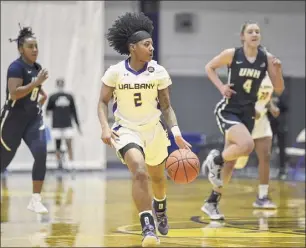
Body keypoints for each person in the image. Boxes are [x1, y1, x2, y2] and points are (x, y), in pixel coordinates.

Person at [97, 12, 191, 247]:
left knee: (158, 178)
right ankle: (148, 227)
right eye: (146, 44)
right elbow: (102, 102)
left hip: (154, 130)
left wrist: (176, 134)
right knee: (139, 171)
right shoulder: (115, 72)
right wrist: (105, 127)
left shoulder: (158, 72)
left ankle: (160, 208)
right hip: (126, 130)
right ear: (132, 47)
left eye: (152, 44)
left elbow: (167, 107)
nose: (151, 48)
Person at [201, 21, 284, 220]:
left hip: (248, 114)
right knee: (246, 145)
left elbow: (279, 88)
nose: (254, 34)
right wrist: (221, 87)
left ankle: (211, 202)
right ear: (243, 36)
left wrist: (278, 70)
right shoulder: (233, 54)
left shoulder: (267, 58)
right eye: (250, 31)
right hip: (229, 110)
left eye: (257, 31)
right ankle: (215, 159)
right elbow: (209, 67)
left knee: (230, 165)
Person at [0, 25, 49, 214]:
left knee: (41, 151)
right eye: (31, 46)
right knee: (3, 163)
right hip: (12, 120)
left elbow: (40, 93)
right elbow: (14, 94)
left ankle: (35, 199)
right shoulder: (16, 67)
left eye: (36, 46)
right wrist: (35, 83)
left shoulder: (36, 67)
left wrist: (40, 101)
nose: (35, 50)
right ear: (21, 49)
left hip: (32, 120)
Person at [235, 72, 279, 209]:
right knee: (236, 163)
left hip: (261, 122)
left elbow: (265, 96)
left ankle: (262, 196)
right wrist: (251, 109)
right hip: (245, 120)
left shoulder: (268, 77)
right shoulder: (246, 74)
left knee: (265, 156)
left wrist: (271, 106)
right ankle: (214, 197)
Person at [46, 78, 82, 170]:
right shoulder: (53, 97)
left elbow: (74, 111)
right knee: (57, 145)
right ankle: (59, 163)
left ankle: (71, 163)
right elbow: (47, 110)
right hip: (57, 125)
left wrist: (78, 125)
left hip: (67, 124)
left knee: (69, 144)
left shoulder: (69, 96)